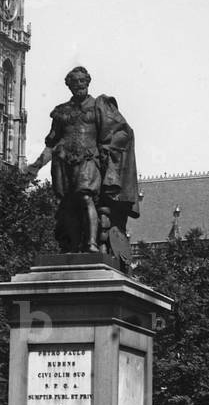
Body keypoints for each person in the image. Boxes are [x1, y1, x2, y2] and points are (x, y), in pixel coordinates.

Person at [25, 66, 139, 261]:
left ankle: (92, 243)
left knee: (85, 197)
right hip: (62, 162)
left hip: (88, 159)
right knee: (66, 204)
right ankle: (74, 245)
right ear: (68, 85)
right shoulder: (61, 112)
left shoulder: (99, 106)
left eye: (82, 81)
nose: (79, 85)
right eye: (75, 82)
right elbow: (51, 144)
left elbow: (123, 132)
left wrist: (108, 150)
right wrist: (35, 166)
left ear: (88, 82)